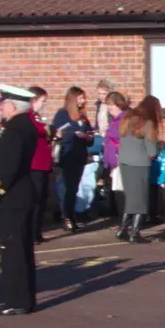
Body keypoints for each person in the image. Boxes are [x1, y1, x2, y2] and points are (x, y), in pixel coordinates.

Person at [0, 85, 41, 314]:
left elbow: (7, 167)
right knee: (19, 249)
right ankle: (22, 298)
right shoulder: (20, 127)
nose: (0, 107)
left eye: (3, 104)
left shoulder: (15, 131)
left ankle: (18, 301)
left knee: (13, 251)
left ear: (12, 106)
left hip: (13, 198)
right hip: (20, 196)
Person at [116, 97, 163, 244]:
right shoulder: (147, 124)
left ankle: (122, 229)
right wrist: (159, 146)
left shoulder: (127, 119)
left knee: (130, 197)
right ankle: (134, 233)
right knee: (141, 200)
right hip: (140, 164)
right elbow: (151, 151)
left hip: (124, 162)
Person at [50, 86, 95, 232]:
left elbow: (90, 137)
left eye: (84, 98)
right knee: (66, 188)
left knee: (74, 188)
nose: (83, 101)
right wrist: (73, 134)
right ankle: (66, 217)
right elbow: (58, 134)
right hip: (67, 155)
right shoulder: (63, 114)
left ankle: (71, 215)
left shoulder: (82, 116)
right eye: (80, 98)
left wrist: (88, 137)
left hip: (79, 156)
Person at [27, 87, 54, 241]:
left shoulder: (37, 116)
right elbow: (38, 130)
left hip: (43, 163)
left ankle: (37, 230)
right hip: (34, 164)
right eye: (42, 101)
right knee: (35, 199)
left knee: (42, 199)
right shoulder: (28, 117)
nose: (44, 105)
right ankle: (32, 232)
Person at [101, 91, 130, 232]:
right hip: (114, 163)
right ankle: (122, 222)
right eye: (108, 105)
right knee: (118, 192)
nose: (109, 107)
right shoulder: (115, 119)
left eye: (111, 104)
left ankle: (124, 224)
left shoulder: (123, 119)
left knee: (121, 193)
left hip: (121, 161)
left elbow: (123, 139)